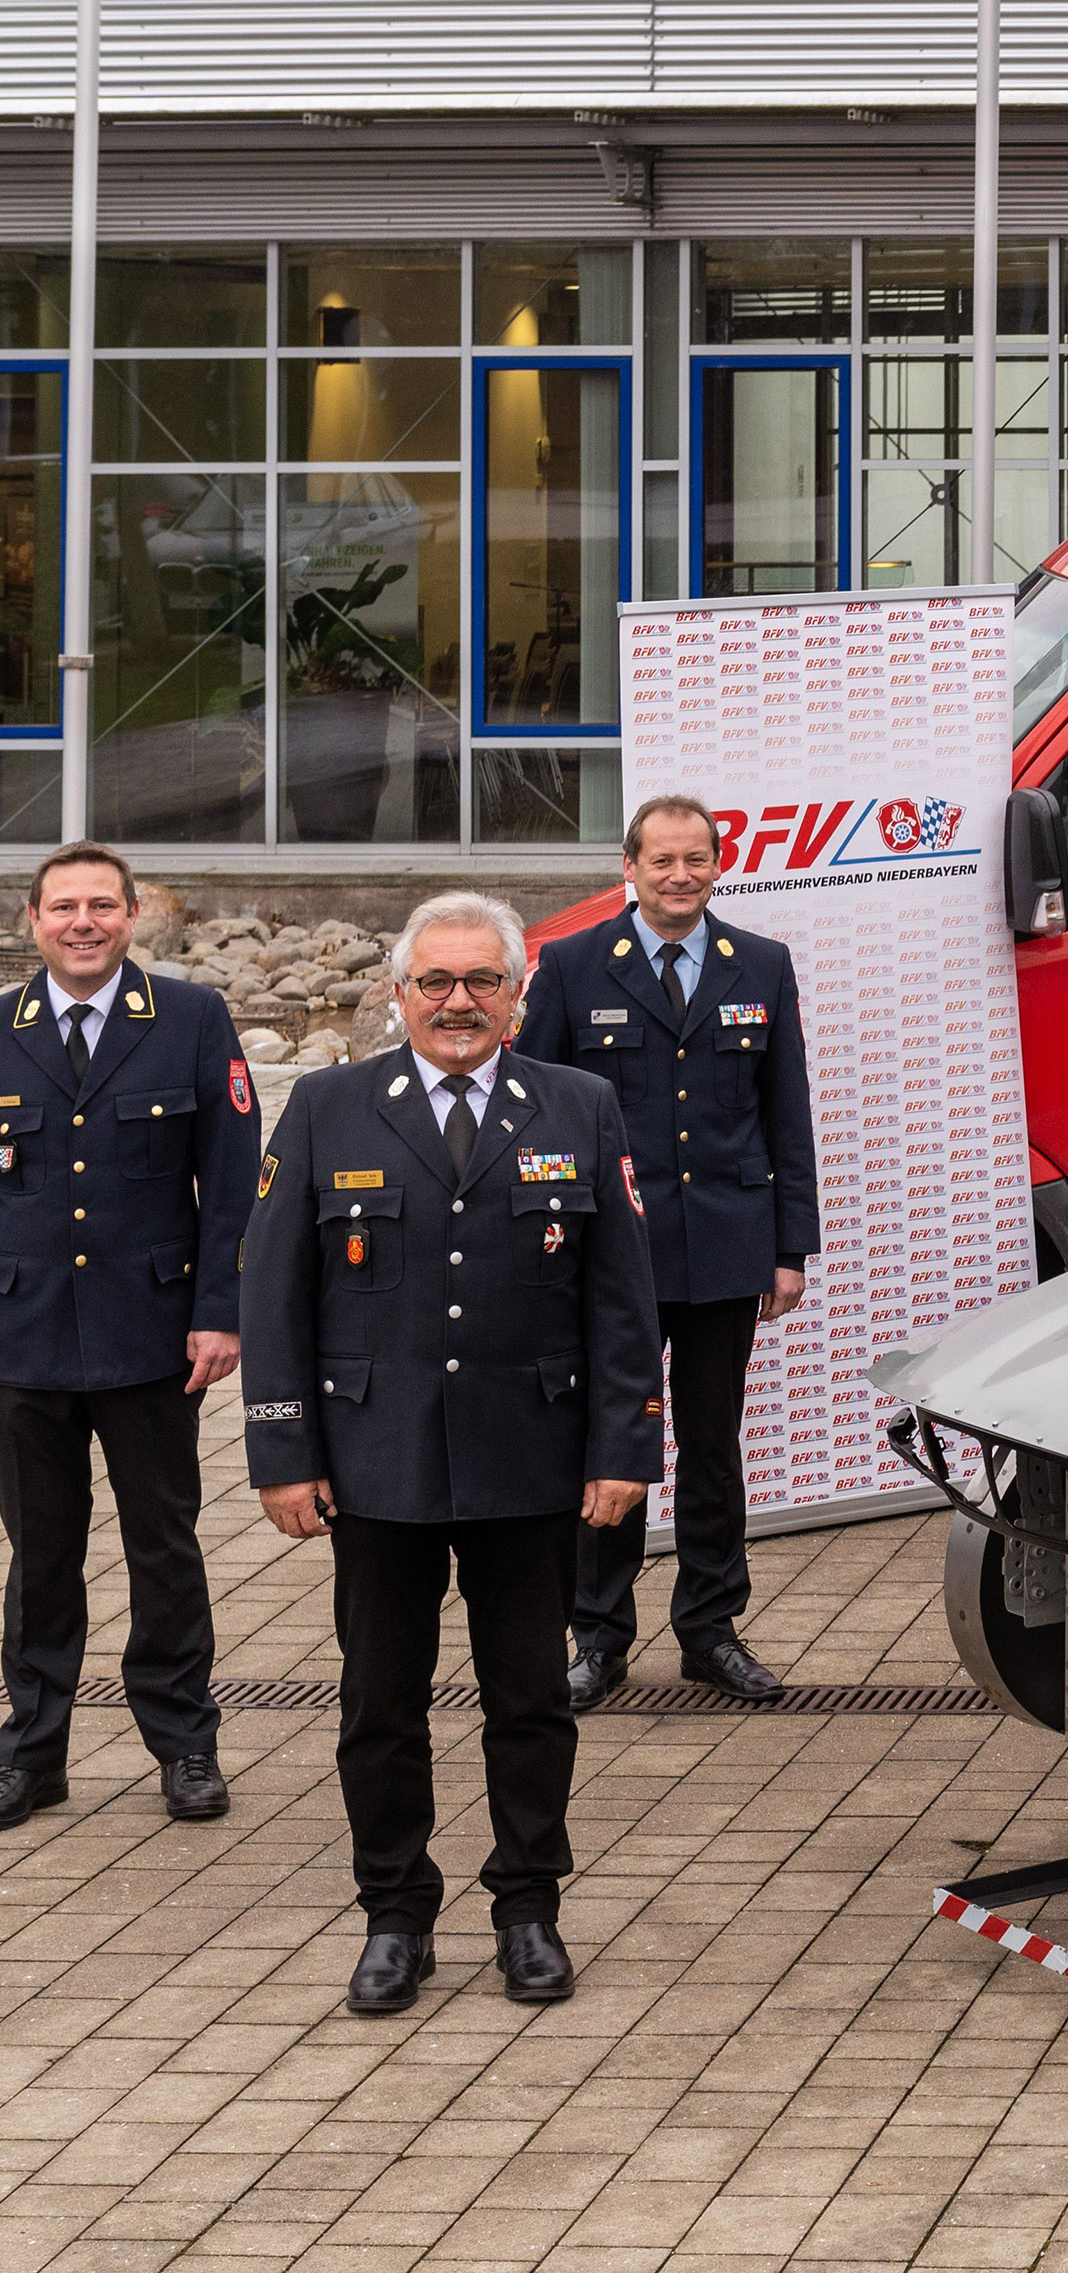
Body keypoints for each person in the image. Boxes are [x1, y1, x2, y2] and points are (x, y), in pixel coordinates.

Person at [242, 893, 662, 2016]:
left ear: (517, 994)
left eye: (482, 981)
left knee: (530, 1700)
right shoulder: (330, 1107)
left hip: (530, 1460)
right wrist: (282, 1452)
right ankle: (394, 1914)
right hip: (375, 1463)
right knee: (381, 1705)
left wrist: (624, 1445)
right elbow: (274, 1290)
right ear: (400, 993)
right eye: (435, 982)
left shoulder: (580, 1103)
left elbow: (621, 1297)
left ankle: (528, 1908)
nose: (458, 1002)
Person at [517, 796, 817, 1712]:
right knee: (611, 1440)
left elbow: (785, 1112)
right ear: (631, 866)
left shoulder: (760, 964)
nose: (679, 875)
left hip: (726, 1245)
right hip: (608, 1254)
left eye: (696, 860)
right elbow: (534, 1105)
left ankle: (711, 1630)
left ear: (719, 863)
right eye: (662, 861)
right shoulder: (571, 966)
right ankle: (597, 1635)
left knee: (714, 1444)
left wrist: (790, 1245)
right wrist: (540, 1233)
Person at [0, 843, 257, 1829]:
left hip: (152, 1336)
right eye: (63, 906)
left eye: (101, 905)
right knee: (39, 1554)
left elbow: (233, 1182)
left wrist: (220, 1310)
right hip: (22, 1338)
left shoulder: (189, 1020)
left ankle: (185, 1744)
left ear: (133, 913)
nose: (83, 922)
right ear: (34, 921)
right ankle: (33, 1751)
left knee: (164, 1546)